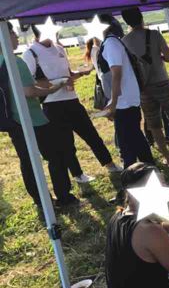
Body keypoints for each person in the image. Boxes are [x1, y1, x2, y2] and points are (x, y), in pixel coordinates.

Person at [24, 26, 121, 182]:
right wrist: (61, 82)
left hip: (72, 100)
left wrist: (81, 73)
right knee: (66, 143)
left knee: (91, 135)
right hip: (51, 103)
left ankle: (109, 164)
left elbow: (68, 74)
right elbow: (31, 83)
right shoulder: (30, 53)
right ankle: (78, 174)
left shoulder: (59, 49)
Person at [1, 22, 79, 208]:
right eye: (13, 33)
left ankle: (42, 202)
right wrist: (54, 88)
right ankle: (64, 197)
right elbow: (29, 92)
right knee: (56, 156)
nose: (17, 37)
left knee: (28, 163)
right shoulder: (15, 61)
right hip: (33, 119)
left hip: (12, 121)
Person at [121, 7, 169, 164]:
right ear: (141, 17)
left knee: (154, 124)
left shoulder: (124, 41)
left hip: (144, 88)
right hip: (162, 82)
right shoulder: (154, 34)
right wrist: (158, 56)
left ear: (126, 22)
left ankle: (167, 157)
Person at [98, 17, 155, 168]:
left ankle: (132, 172)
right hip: (126, 98)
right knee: (135, 137)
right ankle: (148, 167)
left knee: (127, 142)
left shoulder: (111, 44)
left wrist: (113, 103)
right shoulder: (112, 42)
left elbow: (117, 74)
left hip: (124, 100)